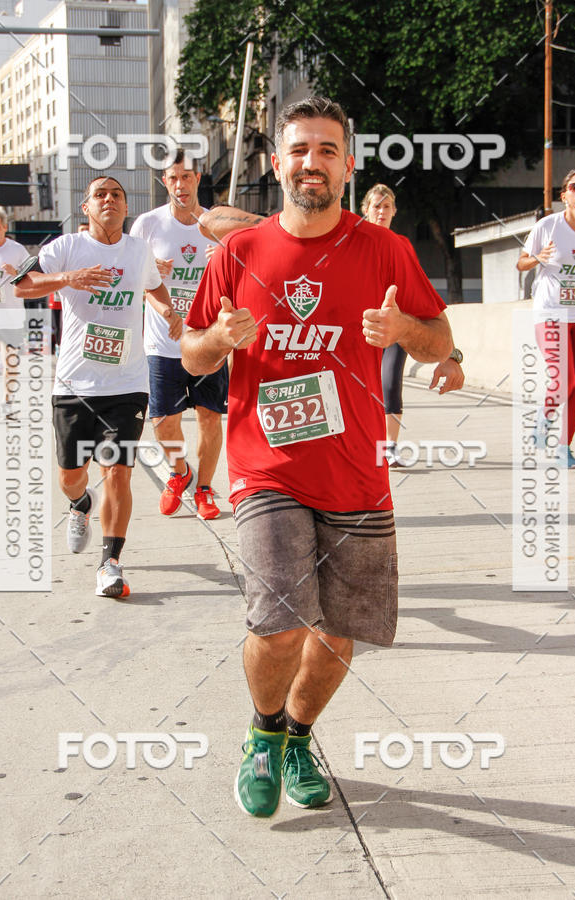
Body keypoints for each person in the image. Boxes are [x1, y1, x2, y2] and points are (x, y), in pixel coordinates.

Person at [181, 97, 454, 818]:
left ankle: (298, 737)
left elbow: (440, 339)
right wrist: (220, 343)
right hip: (267, 467)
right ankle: (262, 735)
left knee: (338, 635)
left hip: (358, 475)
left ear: (348, 163)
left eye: (327, 150)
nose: (313, 162)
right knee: (280, 623)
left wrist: (403, 329)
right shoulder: (238, 253)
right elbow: (191, 348)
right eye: (299, 149)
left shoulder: (386, 250)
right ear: (278, 164)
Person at [14, 176, 182, 597]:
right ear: (86, 207)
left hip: (127, 384)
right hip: (74, 383)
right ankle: (79, 504)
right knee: (72, 476)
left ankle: (110, 562)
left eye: (117, 194)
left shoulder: (137, 250)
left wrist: (167, 310)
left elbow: (153, 286)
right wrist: (70, 277)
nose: (109, 199)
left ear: (126, 207)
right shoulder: (65, 248)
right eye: (100, 195)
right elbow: (21, 285)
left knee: (118, 473)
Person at [130, 151, 227, 520]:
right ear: (164, 182)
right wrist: (150, 268)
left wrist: (226, 254)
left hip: (207, 339)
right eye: (173, 178)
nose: (180, 184)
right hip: (162, 341)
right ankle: (179, 472)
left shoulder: (216, 223)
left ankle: (204, 488)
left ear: (198, 178)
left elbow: (246, 270)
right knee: (163, 421)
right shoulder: (147, 224)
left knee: (209, 417)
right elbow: (132, 278)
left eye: (186, 177)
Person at [361, 184, 465, 466]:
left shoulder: (401, 245)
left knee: (390, 383)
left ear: (394, 211)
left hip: (396, 328)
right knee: (362, 390)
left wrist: (450, 355)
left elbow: (427, 303)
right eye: (376, 206)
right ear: (365, 210)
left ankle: (389, 448)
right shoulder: (352, 242)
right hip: (362, 331)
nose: (381, 211)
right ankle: (362, 445)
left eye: (386, 206)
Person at [517, 168, 575, 468]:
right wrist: (539, 257)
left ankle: (562, 448)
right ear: (564, 194)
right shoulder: (548, 226)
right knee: (565, 382)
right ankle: (541, 424)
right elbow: (521, 263)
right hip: (550, 313)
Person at [0, 207, 29, 422]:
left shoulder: (17, 250)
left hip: (11, 313)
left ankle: (8, 403)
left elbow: (33, 277)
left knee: (11, 361)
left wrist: (16, 274)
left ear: (5, 228)